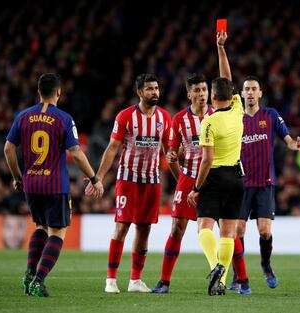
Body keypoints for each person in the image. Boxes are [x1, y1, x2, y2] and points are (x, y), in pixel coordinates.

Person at [217, 31, 300, 289]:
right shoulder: (235, 115)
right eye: (246, 89)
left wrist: (293, 145)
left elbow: (287, 137)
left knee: (265, 231)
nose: (250, 92)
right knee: (238, 232)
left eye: (254, 88)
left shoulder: (270, 114)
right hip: (241, 183)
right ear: (241, 94)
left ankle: (266, 265)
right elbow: (224, 79)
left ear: (261, 92)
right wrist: (221, 49)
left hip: (265, 183)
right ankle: (238, 275)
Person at [4, 73, 103, 297]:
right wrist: (94, 178)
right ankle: (38, 280)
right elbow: (76, 153)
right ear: (59, 92)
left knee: (40, 227)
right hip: (55, 184)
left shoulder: (23, 116)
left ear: (39, 92)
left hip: (31, 184)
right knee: (57, 232)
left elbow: (8, 149)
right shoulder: (64, 119)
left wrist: (17, 176)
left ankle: (29, 274)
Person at [85, 74, 172, 293]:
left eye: (156, 88)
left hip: (152, 181)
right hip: (128, 179)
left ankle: (135, 280)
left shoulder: (164, 117)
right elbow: (112, 148)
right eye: (150, 88)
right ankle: (111, 280)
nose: (155, 92)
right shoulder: (125, 116)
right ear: (140, 93)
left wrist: (181, 177)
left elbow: (168, 151)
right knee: (122, 226)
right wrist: (99, 178)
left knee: (144, 230)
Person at [151, 74, 214, 293]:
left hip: (214, 180)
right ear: (189, 95)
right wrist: (182, 180)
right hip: (189, 178)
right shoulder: (179, 120)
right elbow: (172, 154)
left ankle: (234, 279)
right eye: (197, 90)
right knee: (177, 229)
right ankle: (164, 281)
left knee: (226, 230)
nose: (202, 94)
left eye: (204, 90)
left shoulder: (217, 115)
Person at [186, 76, 245, 296]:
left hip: (215, 178)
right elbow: (227, 78)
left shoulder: (208, 122)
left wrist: (197, 187)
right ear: (232, 96)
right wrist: (221, 49)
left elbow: (207, 161)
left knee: (204, 227)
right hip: (237, 177)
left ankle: (214, 267)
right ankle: (219, 283)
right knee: (228, 234)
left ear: (212, 96)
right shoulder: (238, 109)